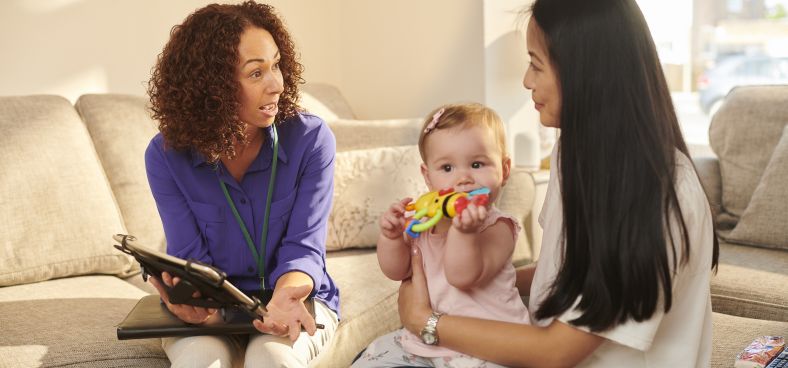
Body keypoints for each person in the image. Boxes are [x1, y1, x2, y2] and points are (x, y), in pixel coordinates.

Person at [394, 0, 720, 367]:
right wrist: (477, 282)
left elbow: (556, 352)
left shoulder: (660, 194)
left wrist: (426, 320)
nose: (526, 80)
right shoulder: (577, 150)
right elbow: (564, 272)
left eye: (535, 64)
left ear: (585, 73)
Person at [144, 1, 339, 366]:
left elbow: (304, 247)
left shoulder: (311, 140)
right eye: (256, 73)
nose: (277, 84)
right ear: (212, 88)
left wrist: (285, 298)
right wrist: (197, 307)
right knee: (202, 359)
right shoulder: (165, 155)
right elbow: (191, 258)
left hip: (296, 297)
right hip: (213, 308)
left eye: (276, 65)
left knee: (272, 359)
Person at [353, 103, 530, 368]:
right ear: (427, 176)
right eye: (447, 168)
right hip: (425, 344)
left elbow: (462, 276)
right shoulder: (423, 222)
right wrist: (391, 237)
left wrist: (463, 231)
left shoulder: (499, 227)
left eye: (477, 164)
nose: (463, 179)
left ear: (504, 170)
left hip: (488, 347)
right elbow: (396, 270)